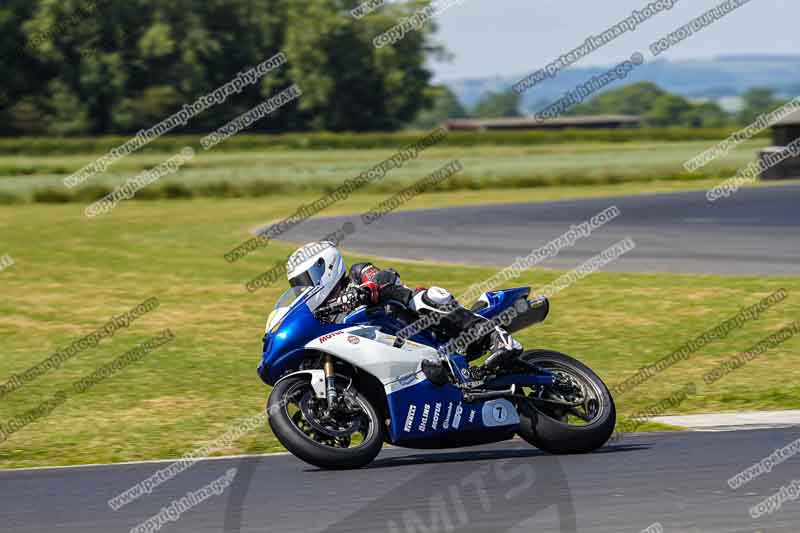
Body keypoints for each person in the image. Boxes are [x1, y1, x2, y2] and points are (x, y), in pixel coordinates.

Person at [286, 241, 521, 374]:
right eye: (298, 285)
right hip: (394, 357)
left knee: (427, 297)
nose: (304, 288)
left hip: (419, 327)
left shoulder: (358, 273)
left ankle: (495, 336)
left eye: (308, 279)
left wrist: (367, 289)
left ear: (326, 266)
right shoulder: (324, 315)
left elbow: (386, 276)